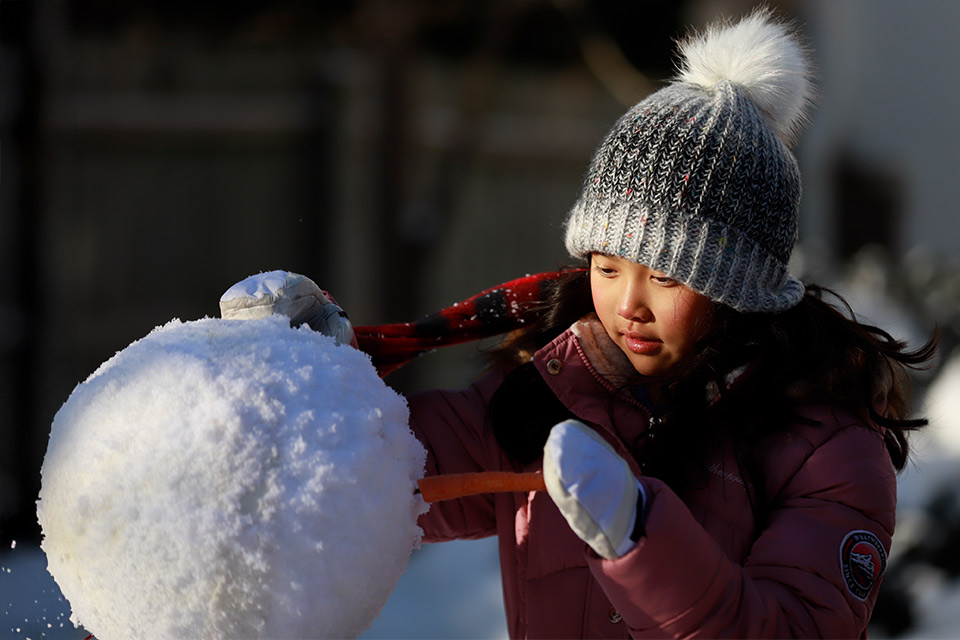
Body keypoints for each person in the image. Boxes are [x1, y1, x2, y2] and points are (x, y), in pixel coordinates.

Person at [221, 9, 936, 638]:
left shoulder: (825, 448)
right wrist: (317, 376)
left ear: (738, 288)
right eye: (608, 265)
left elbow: (795, 629)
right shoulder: (558, 391)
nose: (628, 302)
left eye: (666, 276)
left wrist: (642, 537)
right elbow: (393, 477)